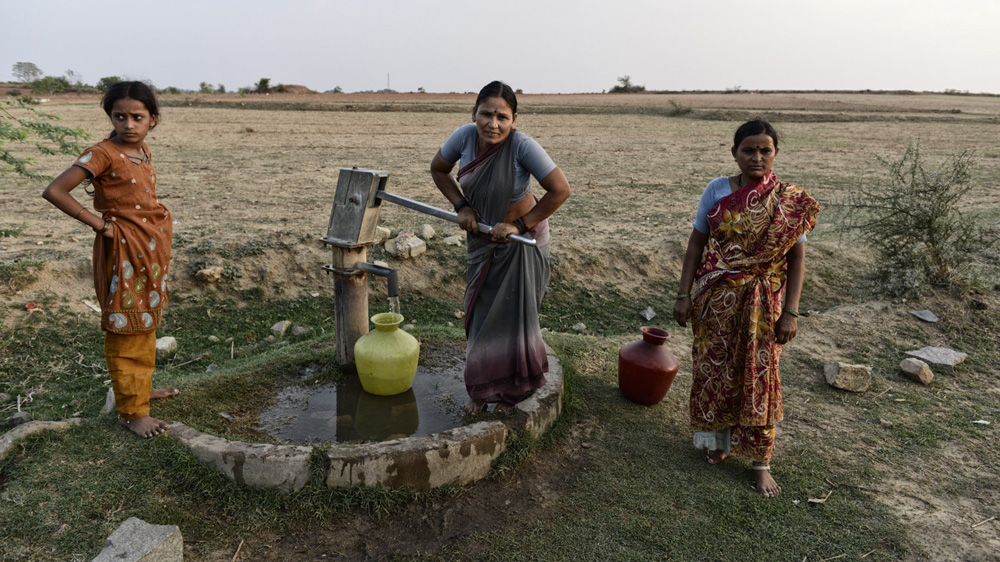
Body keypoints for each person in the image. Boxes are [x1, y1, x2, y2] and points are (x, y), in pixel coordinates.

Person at [673, 118, 820, 498]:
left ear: (775, 153)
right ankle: (718, 443)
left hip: (764, 305)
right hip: (716, 300)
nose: (756, 157)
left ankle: (760, 463)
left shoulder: (787, 201)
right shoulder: (717, 190)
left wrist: (791, 312)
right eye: (748, 150)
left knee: (760, 375)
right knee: (714, 369)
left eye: (764, 150)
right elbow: (695, 245)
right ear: (734, 153)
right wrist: (683, 294)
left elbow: (797, 259)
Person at [42, 81, 176, 438]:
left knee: (144, 319)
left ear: (153, 120)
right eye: (120, 116)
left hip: (149, 250)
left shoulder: (142, 150)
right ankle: (132, 413)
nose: (129, 124)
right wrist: (100, 225)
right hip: (123, 249)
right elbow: (54, 190)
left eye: (137, 117)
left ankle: (140, 389)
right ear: (111, 118)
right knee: (125, 322)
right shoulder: (102, 153)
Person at [430, 81, 571, 414]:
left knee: (514, 318)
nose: (493, 124)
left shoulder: (523, 146)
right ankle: (481, 392)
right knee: (480, 315)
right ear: (474, 114)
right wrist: (462, 206)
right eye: (486, 114)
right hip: (482, 240)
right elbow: (439, 169)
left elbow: (560, 190)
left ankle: (515, 391)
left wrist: (519, 225)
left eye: (502, 117)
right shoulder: (463, 137)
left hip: (522, 243)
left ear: (514, 120)